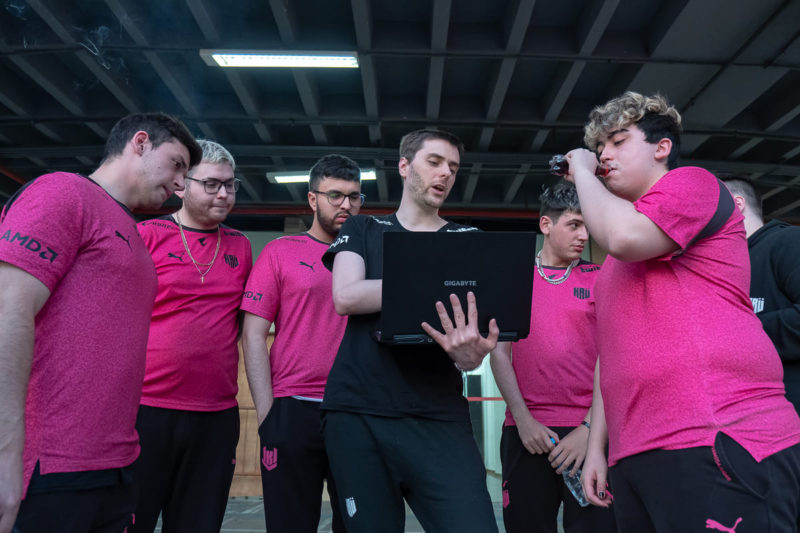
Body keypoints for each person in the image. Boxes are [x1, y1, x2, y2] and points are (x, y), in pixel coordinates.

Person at [562, 91, 800, 532]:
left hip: (716, 434)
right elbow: (609, 356)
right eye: (598, 149)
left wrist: (580, 169)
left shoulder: (692, 184)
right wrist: (598, 447)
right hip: (637, 452)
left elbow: (623, 235)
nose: (604, 155)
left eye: (617, 141)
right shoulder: (616, 262)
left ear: (661, 147)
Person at [0, 113, 201, 533]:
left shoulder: (129, 228)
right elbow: (7, 311)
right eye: (178, 164)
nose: (181, 184)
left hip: (116, 465)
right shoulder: (63, 192)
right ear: (141, 143)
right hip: (49, 467)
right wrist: (6, 450)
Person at [319, 129, 500, 533]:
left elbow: (474, 336)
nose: (445, 174)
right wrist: (433, 285)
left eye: (453, 167)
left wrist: (472, 357)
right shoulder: (364, 230)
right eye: (434, 162)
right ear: (404, 166)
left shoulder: (467, 240)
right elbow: (346, 296)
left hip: (438, 416)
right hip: (359, 412)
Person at [131, 140, 252, 533]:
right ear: (182, 184)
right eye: (213, 184)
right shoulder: (146, 235)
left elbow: (236, 323)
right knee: (132, 518)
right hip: (146, 407)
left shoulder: (241, 246)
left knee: (199, 524)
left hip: (215, 414)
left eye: (231, 185)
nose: (224, 194)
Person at [240, 154, 363, 532]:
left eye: (355, 197)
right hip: (293, 410)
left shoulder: (371, 254)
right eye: (335, 195)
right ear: (313, 200)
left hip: (355, 410)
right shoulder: (280, 252)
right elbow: (253, 333)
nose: (347, 204)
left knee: (360, 524)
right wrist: (267, 416)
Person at [491, 182, 615, 533]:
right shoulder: (513, 279)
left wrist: (590, 430)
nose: (583, 235)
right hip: (527, 432)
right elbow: (500, 354)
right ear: (546, 225)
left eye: (587, 226)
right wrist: (523, 419)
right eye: (574, 224)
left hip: (591, 432)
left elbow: (613, 356)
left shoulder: (601, 279)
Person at [722, 178, 800, 413]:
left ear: (737, 203)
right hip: (749, 421)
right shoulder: (725, 266)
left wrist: (732, 334)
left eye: (708, 205)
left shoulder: (788, 241)